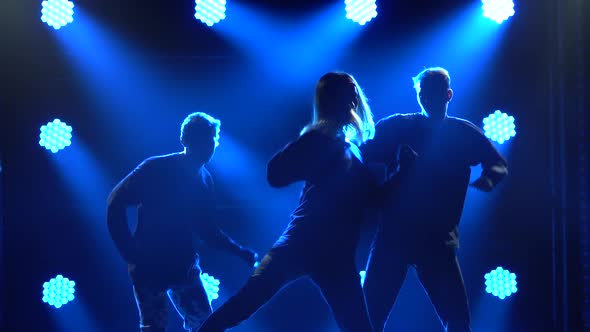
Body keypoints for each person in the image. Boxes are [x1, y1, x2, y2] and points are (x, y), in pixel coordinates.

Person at [196, 72, 378, 332]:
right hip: (302, 241)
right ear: (333, 98)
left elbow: (368, 199)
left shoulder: (353, 148)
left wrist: (398, 175)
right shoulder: (320, 140)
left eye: (355, 90)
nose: (354, 96)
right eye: (348, 90)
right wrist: (312, 154)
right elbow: (276, 173)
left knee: (358, 327)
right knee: (245, 302)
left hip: (337, 253)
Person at [361, 67, 508, 332]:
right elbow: (360, 155)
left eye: (433, 93)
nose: (427, 98)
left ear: (448, 94)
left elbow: (497, 165)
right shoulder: (398, 126)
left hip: (435, 239)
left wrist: (487, 181)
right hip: (397, 235)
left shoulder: (462, 133)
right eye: (423, 93)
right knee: (369, 317)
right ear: (418, 94)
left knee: (457, 320)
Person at [107, 112, 258, 332]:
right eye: (203, 140)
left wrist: (239, 251)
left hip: (183, 267)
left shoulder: (205, 179)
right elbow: (115, 204)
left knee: (207, 327)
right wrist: (131, 255)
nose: (209, 146)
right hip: (151, 267)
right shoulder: (155, 169)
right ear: (185, 140)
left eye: (212, 140)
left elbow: (208, 231)